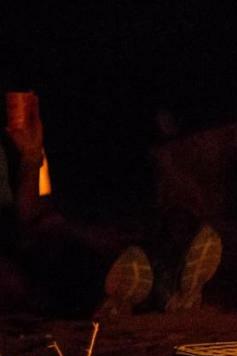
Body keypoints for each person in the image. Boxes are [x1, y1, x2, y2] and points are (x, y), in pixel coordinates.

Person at [1, 91, 221, 318]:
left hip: (26, 244)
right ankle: (154, 290)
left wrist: (31, 153)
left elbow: (30, 213)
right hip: (21, 259)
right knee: (53, 260)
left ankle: (165, 285)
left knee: (82, 240)